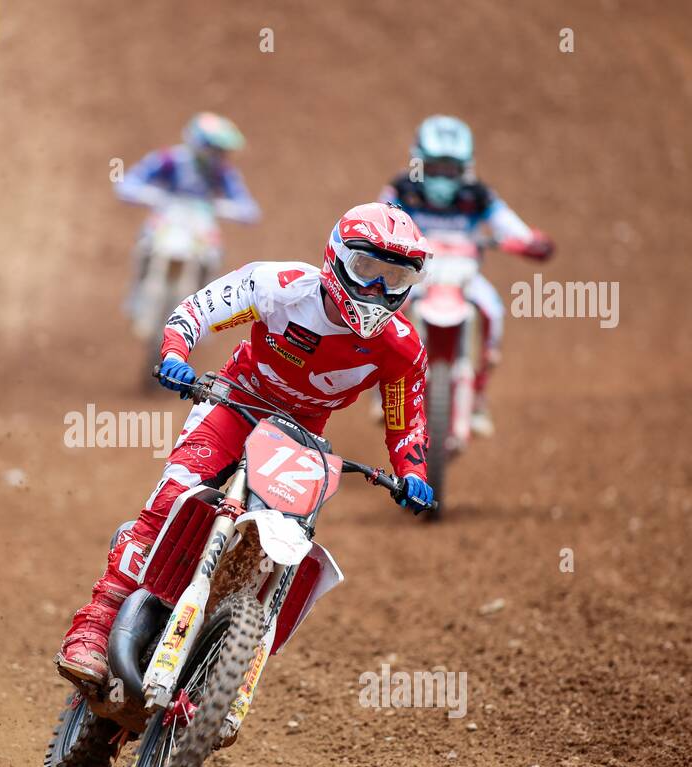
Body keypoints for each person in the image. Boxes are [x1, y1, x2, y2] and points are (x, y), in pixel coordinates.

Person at [57, 202, 435, 685]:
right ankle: (91, 631)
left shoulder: (402, 347)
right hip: (236, 402)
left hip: (301, 441)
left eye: (395, 279)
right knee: (173, 497)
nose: (379, 291)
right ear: (337, 259)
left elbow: (408, 420)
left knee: (282, 549)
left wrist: (414, 474)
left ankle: (223, 662)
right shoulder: (281, 287)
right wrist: (174, 353)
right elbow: (197, 310)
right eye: (368, 271)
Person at [380, 115, 554, 436]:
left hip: (464, 278)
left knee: (494, 312)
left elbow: (508, 224)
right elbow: (380, 216)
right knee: (384, 311)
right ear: (419, 161)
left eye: (451, 169)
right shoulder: (404, 188)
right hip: (417, 277)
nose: (443, 177)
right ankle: (384, 387)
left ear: (466, 168)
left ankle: (479, 393)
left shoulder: (478, 195)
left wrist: (529, 241)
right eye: (434, 167)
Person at [115, 112, 260, 311]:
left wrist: (232, 209)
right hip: (169, 214)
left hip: (201, 221)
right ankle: (136, 292)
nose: (219, 155)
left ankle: (206, 308)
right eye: (215, 149)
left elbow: (247, 205)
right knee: (145, 242)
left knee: (214, 255)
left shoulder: (223, 172)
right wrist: (142, 193)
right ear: (200, 144)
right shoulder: (170, 159)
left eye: (222, 151)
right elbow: (131, 180)